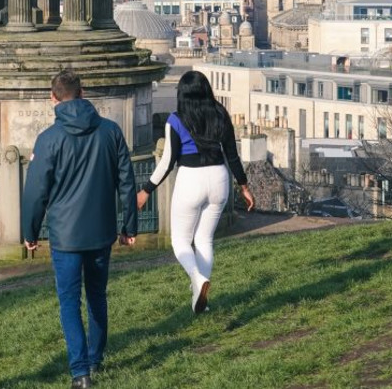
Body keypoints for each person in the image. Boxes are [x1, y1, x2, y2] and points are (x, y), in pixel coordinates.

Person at [22, 70, 138, 389]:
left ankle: (80, 372)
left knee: (69, 301)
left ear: (53, 98)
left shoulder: (48, 139)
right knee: (97, 296)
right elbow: (126, 183)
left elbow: (35, 192)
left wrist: (30, 232)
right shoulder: (111, 132)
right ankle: (95, 358)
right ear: (83, 93)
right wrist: (129, 226)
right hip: (101, 231)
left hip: (65, 236)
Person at [137, 70, 254, 315]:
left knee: (180, 240)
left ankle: (197, 279)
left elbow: (167, 161)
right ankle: (200, 300)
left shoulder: (175, 120)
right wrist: (244, 187)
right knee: (204, 240)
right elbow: (232, 154)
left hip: (191, 178)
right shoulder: (221, 113)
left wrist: (146, 190)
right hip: (219, 178)